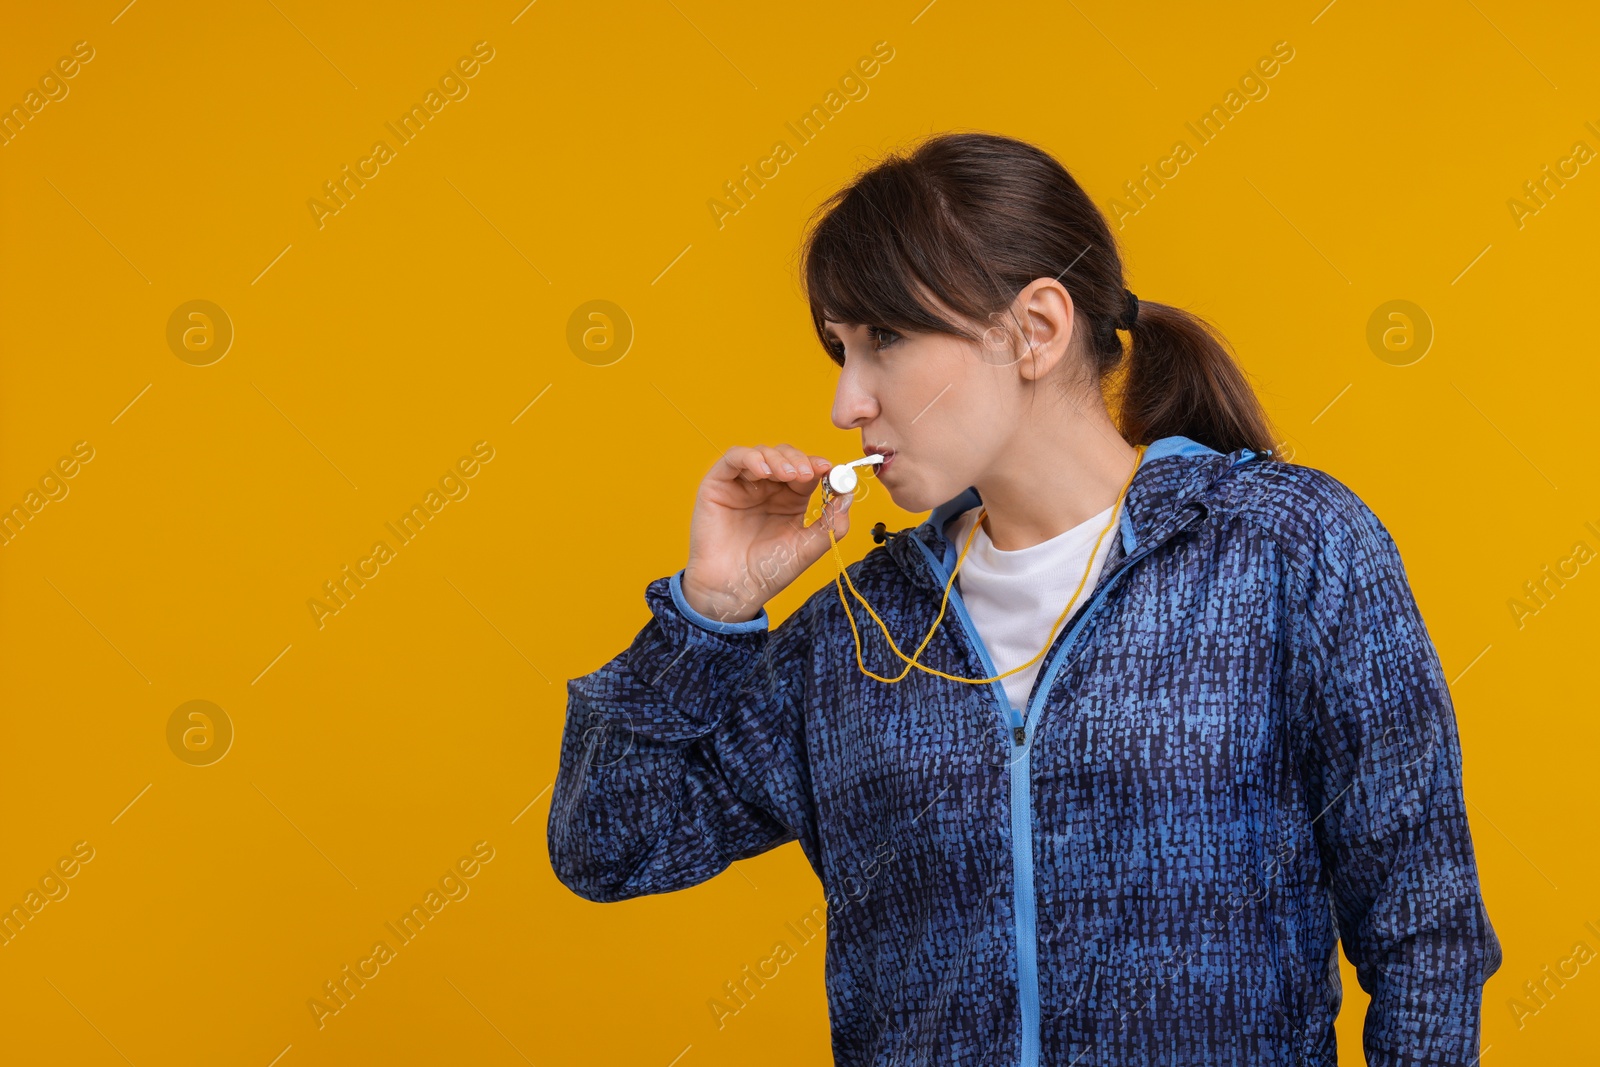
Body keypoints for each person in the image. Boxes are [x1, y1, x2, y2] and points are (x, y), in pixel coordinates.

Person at [547, 131, 1501, 1066]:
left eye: (885, 339)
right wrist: (708, 610)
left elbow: (1428, 929)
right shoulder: (864, 631)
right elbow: (608, 845)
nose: (847, 400)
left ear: (1037, 329)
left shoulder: (1284, 550)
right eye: (840, 348)